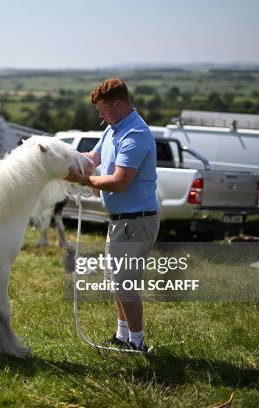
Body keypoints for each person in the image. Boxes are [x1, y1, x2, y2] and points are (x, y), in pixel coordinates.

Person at [66, 78, 159, 352]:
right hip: (122, 221)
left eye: (103, 110)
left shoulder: (135, 135)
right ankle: (122, 337)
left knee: (125, 285)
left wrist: (84, 182)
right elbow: (93, 158)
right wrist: (67, 159)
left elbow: (119, 182)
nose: (100, 115)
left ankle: (138, 344)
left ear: (118, 105)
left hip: (135, 220)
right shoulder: (113, 129)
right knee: (116, 283)